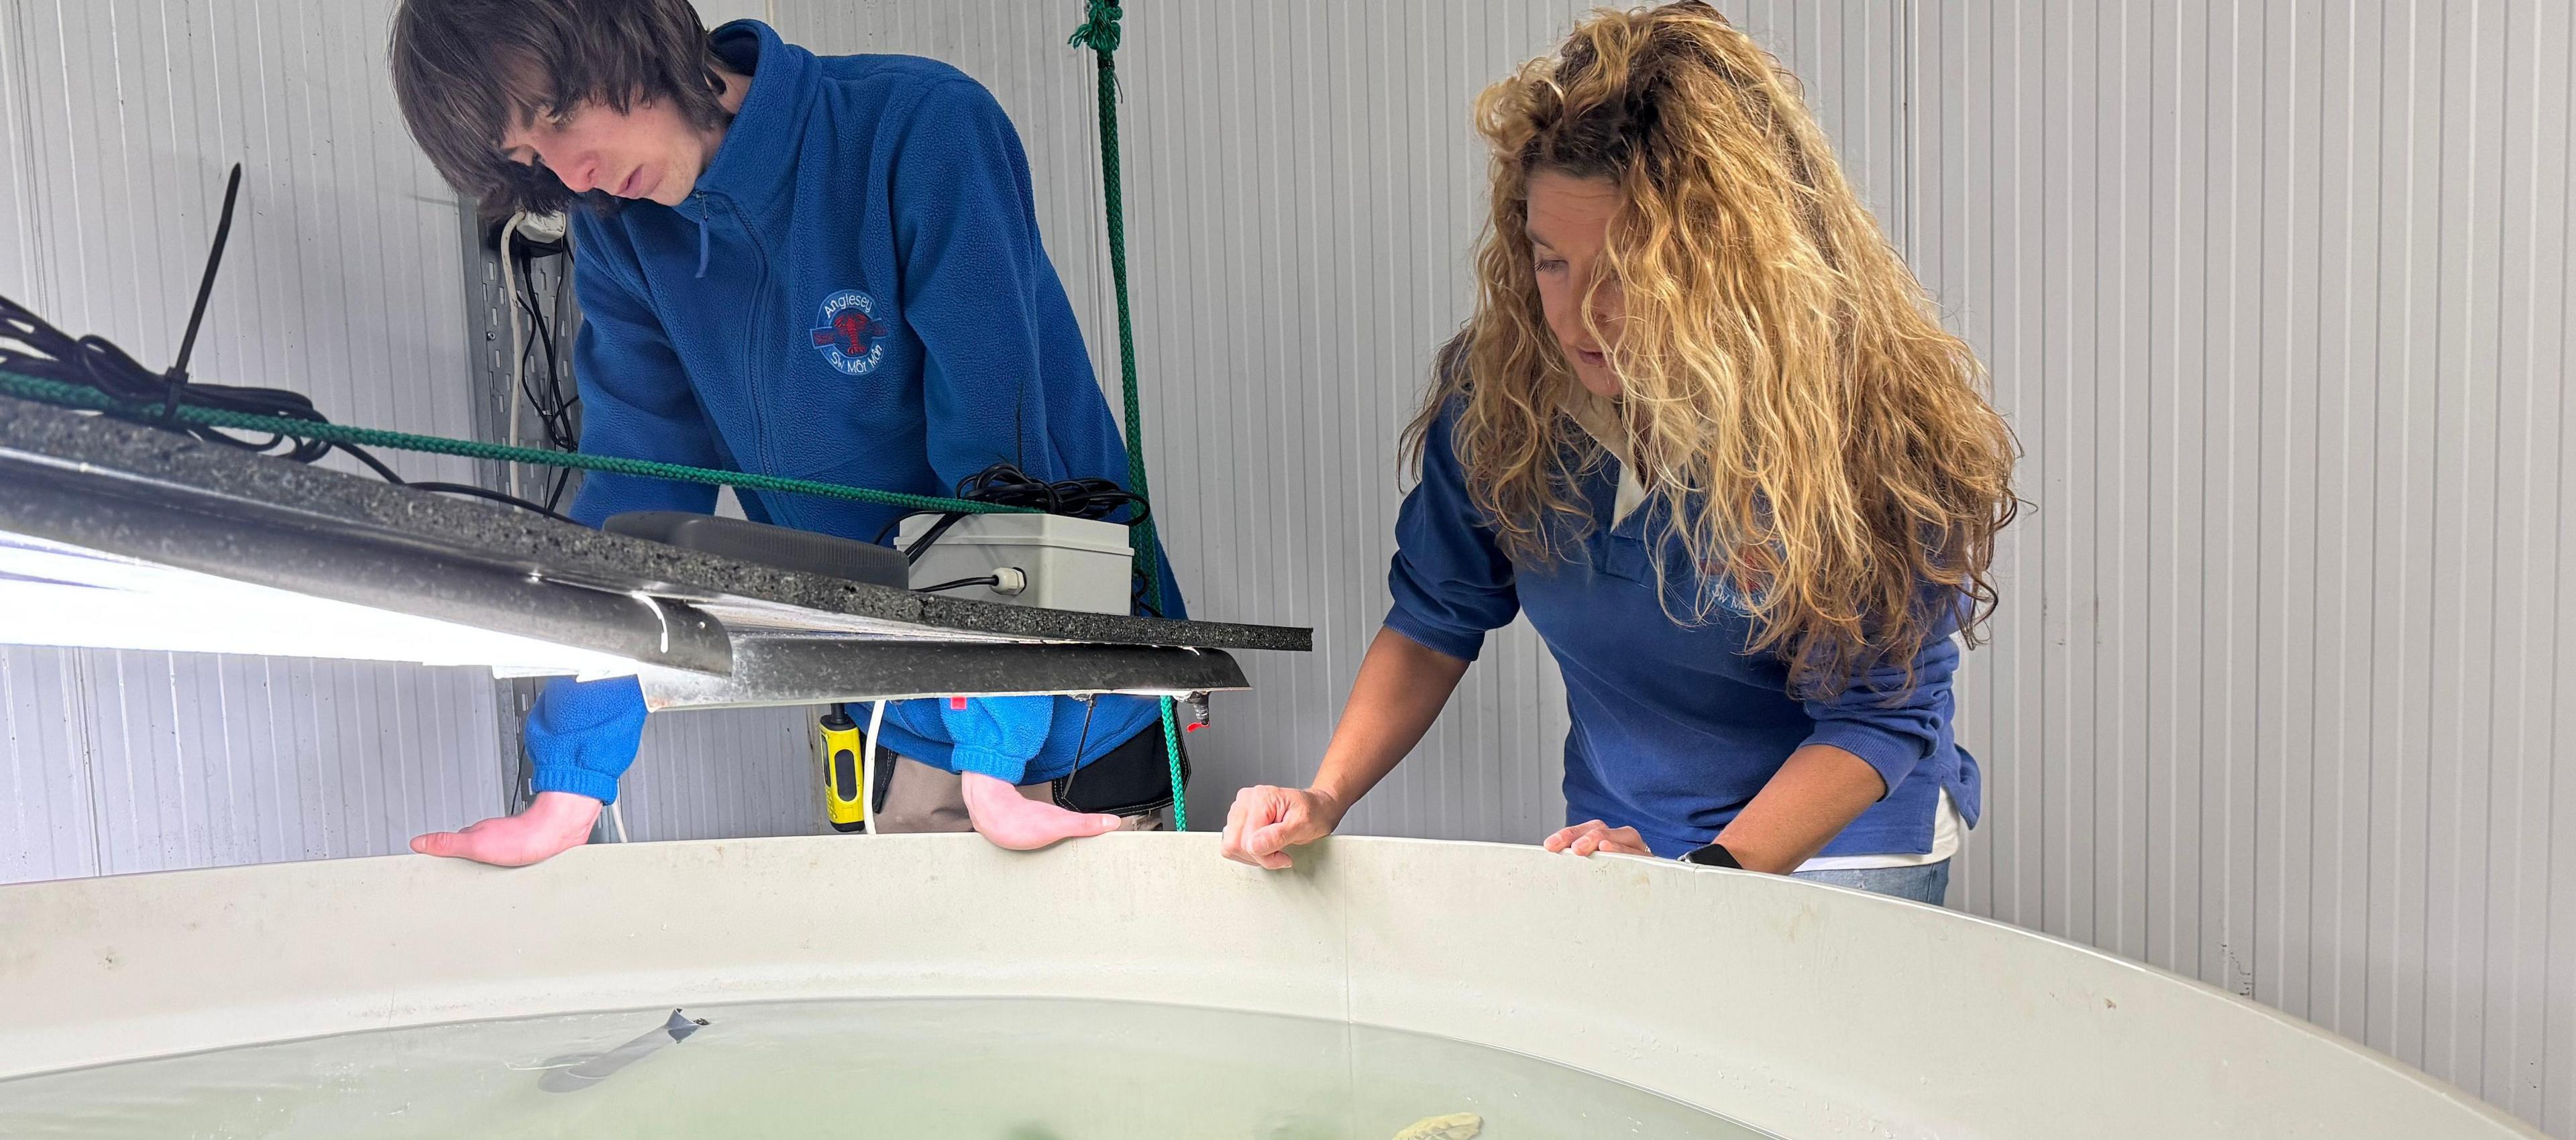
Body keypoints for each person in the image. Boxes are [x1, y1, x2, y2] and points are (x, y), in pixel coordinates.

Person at [1220, 1, 2016, 903]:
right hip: (1625, 834)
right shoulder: (1508, 398)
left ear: (1731, 263)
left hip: (1841, 840)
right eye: (1551, 262)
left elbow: (1880, 717)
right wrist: (1324, 795)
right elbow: (1437, 618)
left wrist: (1702, 883)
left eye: (1628, 277)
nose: (1576, 319)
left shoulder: (1864, 422)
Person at [386, 0, 1185, 866]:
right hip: (897, 712)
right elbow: (635, 495)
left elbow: (1000, 461)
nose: (572, 175)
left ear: (622, 31)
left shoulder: (917, 131)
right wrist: (572, 781)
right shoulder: (620, 238)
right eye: (529, 158)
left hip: (1074, 709)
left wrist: (995, 754)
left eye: (559, 118)